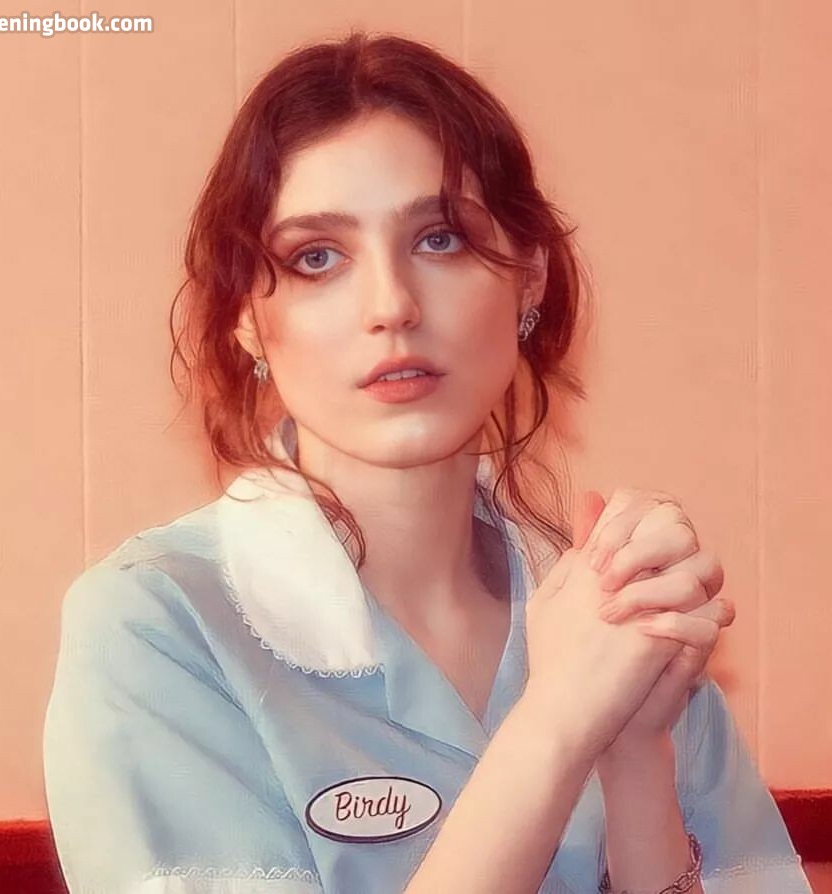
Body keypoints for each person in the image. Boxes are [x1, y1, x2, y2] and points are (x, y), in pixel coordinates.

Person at [42, 30, 812, 894]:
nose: (392, 306)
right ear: (247, 320)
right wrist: (556, 726)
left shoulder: (614, 612)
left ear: (529, 278)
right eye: (317, 258)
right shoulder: (157, 625)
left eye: (440, 239)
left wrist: (637, 755)